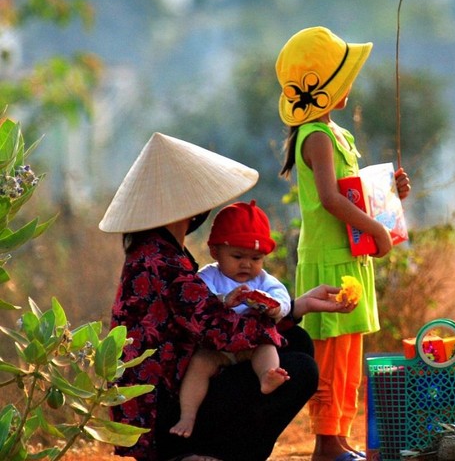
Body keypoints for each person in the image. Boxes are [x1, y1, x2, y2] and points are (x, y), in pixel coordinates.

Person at [100, 132, 356, 461]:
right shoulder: (159, 262)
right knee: (301, 367)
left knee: (297, 343)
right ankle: (203, 453)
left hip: (175, 393)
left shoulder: (159, 251)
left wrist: (295, 308)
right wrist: (286, 312)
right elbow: (221, 331)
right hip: (163, 416)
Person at [275, 26, 411, 461]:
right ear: (328, 86)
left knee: (350, 357)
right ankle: (326, 444)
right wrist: (375, 229)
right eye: (345, 76)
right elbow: (331, 199)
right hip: (330, 262)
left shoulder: (338, 135)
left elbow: (352, 192)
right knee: (331, 357)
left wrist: (390, 194)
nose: (350, 84)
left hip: (351, 258)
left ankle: (341, 438)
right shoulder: (315, 136)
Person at [169, 200, 293, 439]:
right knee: (199, 363)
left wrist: (274, 307)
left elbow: (282, 299)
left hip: (251, 346)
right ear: (216, 252)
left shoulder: (263, 280)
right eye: (237, 256)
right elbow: (199, 299)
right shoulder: (209, 275)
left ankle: (267, 376)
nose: (247, 264)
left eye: (256, 259)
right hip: (218, 348)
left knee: (267, 346)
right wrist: (224, 300)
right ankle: (188, 415)